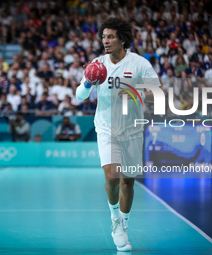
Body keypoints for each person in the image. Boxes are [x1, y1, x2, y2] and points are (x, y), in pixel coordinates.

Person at [76, 17, 160, 252]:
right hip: (106, 128)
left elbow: (157, 93)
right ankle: (115, 220)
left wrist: (136, 92)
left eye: (111, 36)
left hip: (132, 130)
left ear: (122, 39)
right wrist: (87, 83)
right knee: (112, 178)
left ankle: (124, 223)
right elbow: (79, 96)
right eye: (103, 36)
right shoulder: (98, 64)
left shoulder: (140, 63)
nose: (106, 40)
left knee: (127, 182)